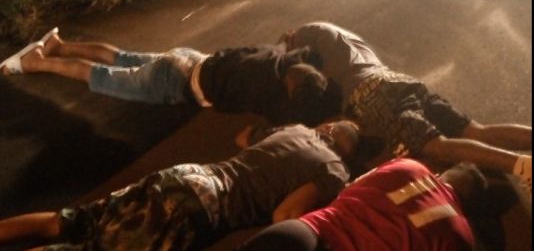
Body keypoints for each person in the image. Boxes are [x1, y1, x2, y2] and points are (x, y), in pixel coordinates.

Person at [0, 121, 361, 251]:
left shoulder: (296, 129)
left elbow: (243, 138)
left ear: (328, 127)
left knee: (70, 222)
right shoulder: (334, 170)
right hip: (197, 208)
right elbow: (286, 214)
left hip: (185, 175)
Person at [279, 21, 532, 193]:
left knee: (436, 147)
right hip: (395, 80)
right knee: (475, 132)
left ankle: (524, 167)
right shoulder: (334, 34)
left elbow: (301, 79)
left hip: (371, 96)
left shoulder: (302, 37)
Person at [0, 27, 340, 126]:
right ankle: (36, 62)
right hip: (174, 82)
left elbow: (299, 53)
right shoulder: (265, 90)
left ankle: (58, 45)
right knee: (102, 77)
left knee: (121, 57)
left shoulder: (276, 56)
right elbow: (278, 118)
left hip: (190, 57)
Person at [238, 157, 487, 251]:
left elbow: (349, 189)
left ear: (443, 174)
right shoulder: (461, 236)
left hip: (305, 232)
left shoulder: (409, 166)